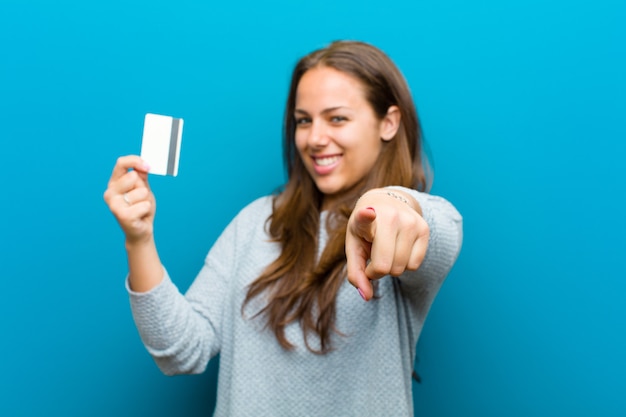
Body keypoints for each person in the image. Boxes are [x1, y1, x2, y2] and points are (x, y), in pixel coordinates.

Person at [104, 40, 463, 416]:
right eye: (304, 120)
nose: (315, 138)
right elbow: (180, 351)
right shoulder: (255, 223)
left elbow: (437, 231)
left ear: (388, 123)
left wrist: (395, 203)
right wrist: (139, 238)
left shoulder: (406, 226)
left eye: (337, 118)